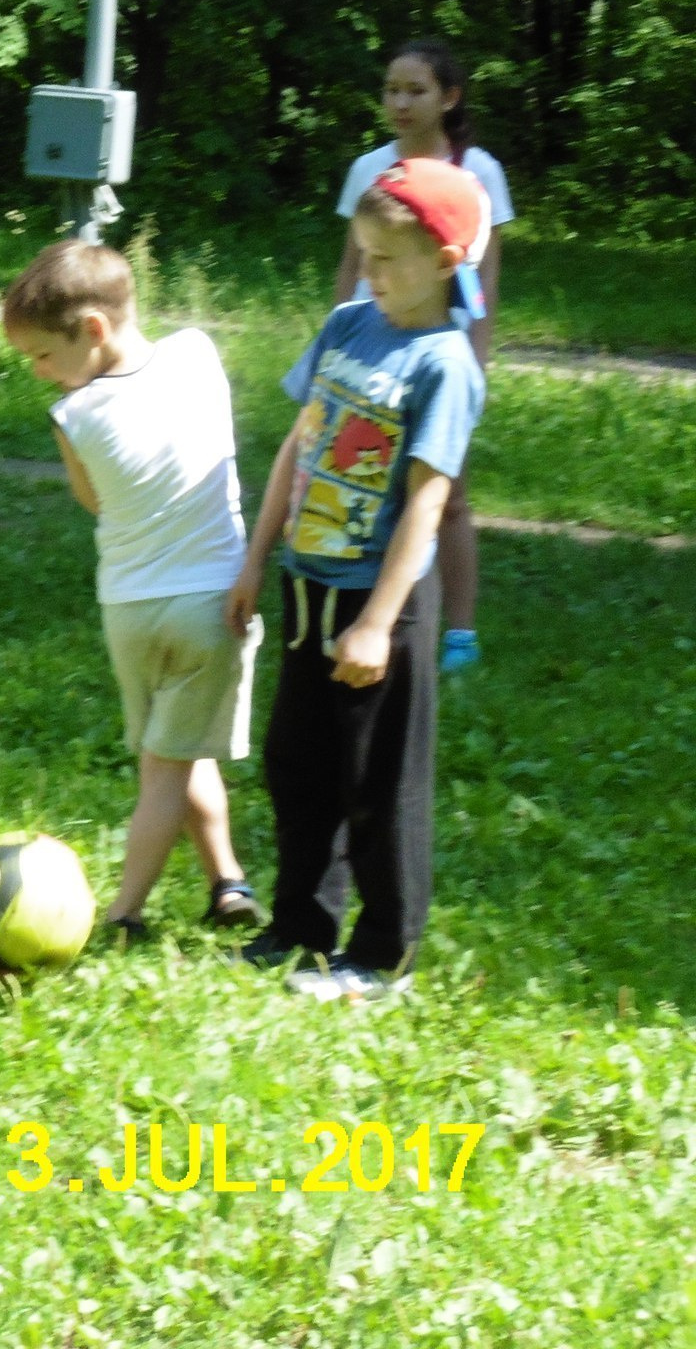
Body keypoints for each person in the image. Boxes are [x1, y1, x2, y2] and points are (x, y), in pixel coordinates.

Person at [230, 160, 489, 1002]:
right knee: (296, 764)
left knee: (378, 782)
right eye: (364, 252)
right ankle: (300, 925)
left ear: (447, 261)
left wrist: (379, 622)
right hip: (307, 586)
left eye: (387, 258)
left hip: (383, 604)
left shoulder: (444, 363)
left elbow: (428, 505)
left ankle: (380, 957)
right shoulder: (348, 326)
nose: (368, 272)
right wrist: (253, 557)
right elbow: (296, 450)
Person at [1, 239, 263, 939]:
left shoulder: (74, 417)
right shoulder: (198, 354)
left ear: (92, 330)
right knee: (172, 760)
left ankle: (211, 886)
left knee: (175, 751)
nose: (41, 373)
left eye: (44, 357)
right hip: (213, 607)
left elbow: (93, 501)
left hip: (131, 612)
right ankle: (131, 913)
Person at [329, 40, 512, 675]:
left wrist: (479, 355)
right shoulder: (369, 169)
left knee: (446, 495)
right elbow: (351, 263)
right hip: (370, 342)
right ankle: (362, 609)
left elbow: (486, 274)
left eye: (416, 91)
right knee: (363, 478)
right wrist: (333, 336)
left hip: (436, 342)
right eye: (391, 90)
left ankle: (458, 631)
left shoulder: (478, 171)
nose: (400, 103)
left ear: (449, 98)